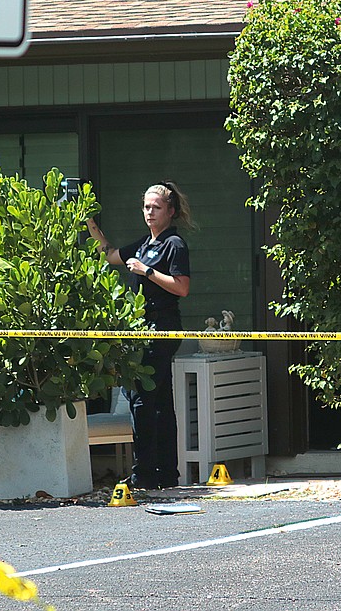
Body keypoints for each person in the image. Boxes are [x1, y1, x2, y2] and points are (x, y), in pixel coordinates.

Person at [86, 181, 192, 489]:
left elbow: (182, 288)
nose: (150, 212)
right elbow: (108, 255)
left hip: (163, 328)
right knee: (158, 401)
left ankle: (144, 474)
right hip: (142, 329)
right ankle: (165, 475)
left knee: (143, 400)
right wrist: (89, 221)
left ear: (170, 211)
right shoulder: (145, 243)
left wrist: (147, 271)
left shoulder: (174, 244)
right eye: (146, 206)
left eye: (156, 207)